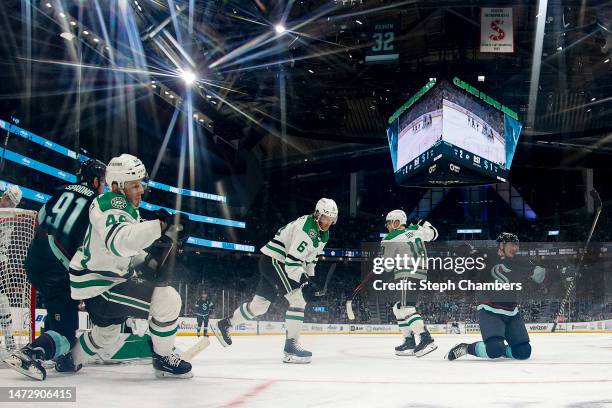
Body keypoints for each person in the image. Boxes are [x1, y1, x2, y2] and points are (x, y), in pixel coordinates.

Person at [67, 154, 192, 378]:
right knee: (167, 300)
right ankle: (163, 357)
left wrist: (150, 260)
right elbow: (120, 243)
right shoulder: (111, 202)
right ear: (117, 186)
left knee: (107, 335)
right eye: (135, 185)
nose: (141, 190)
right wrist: (161, 226)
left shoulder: (124, 209)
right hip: (101, 285)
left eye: (141, 184)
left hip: (97, 282)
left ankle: (70, 358)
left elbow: (123, 251)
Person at [4, 160, 106, 380]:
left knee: (57, 310)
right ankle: (32, 353)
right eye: (103, 182)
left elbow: (38, 220)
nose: (104, 187)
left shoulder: (60, 193)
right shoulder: (97, 202)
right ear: (96, 180)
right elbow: (92, 244)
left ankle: (54, 353)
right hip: (57, 268)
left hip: (33, 260)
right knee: (67, 333)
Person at [212, 198, 338, 363]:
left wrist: (311, 279)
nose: (327, 222)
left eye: (331, 219)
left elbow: (310, 259)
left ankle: (225, 324)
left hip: (271, 261)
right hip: (275, 261)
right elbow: (292, 262)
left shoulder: (323, 234)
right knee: (298, 300)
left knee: (259, 306)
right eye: (324, 218)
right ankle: (291, 347)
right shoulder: (306, 229)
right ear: (317, 214)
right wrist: (305, 282)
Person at [446, 233, 548, 361]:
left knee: (523, 352)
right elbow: (466, 253)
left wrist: (541, 271)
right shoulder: (486, 255)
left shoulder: (519, 261)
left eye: (517, 245)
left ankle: (502, 350)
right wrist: (467, 252)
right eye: (512, 245)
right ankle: (467, 348)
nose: (515, 248)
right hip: (489, 310)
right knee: (494, 349)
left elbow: (539, 273)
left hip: (512, 312)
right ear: (501, 244)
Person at [381, 210, 438, 357]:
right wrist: (423, 223)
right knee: (398, 307)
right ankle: (409, 341)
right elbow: (434, 233)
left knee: (406, 308)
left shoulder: (390, 237)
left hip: (407, 272)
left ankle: (426, 339)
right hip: (420, 272)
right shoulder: (416, 229)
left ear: (397, 222)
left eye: (388, 223)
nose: (386, 226)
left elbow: (387, 265)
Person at [0, 185, 23, 352]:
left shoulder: (10, 217)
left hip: (0, 261)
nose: (6, 202)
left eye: (11, 202)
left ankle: (9, 339)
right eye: (7, 198)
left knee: (3, 301)